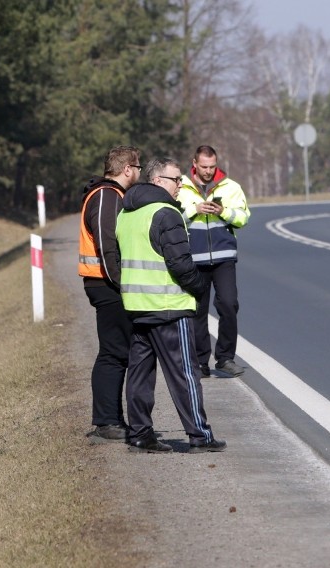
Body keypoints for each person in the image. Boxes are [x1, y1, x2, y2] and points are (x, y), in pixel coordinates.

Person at [115, 157, 226, 454]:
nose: (181, 185)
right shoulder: (166, 213)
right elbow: (180, 263)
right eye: (176, 179)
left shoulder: (126, 214)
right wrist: (200, 289)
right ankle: (199, 435)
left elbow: (116, 260)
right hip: (169, 305)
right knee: (184, 373)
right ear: (157, 181)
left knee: (139, 374)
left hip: (138, 307)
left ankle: (140, 433)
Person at [79, 145, 142, 443]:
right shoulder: (106, 195)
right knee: (114, 353)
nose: (140, 173)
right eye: (138, 167)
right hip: (106, 285)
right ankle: (106, 422)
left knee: (116, 352)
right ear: (127, 168)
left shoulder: (111, 195)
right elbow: (107, 246)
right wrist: (122, 283)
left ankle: (112, 419)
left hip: (107, 283)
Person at [179, 145, 250, 378]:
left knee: (229, 305)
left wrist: (223, 211)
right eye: (204, 167)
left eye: (212, 166)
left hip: (224, 258)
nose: (209, 171)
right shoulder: (181, 186)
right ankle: (200, 362)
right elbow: (170, 218)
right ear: (195, 163)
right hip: (194, 259)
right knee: (198, 312)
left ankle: (225, 358)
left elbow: (243, 218)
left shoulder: (231, 187)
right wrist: (194, 209)